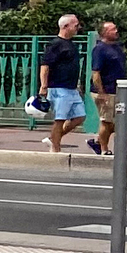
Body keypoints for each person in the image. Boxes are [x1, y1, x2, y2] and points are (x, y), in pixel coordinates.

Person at [41, 12, 87, 151]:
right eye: (76, 25)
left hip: (71, 88)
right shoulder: (55, 44)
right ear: (66, 26)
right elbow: (45, 66)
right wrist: (44, 86)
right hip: (59, 88)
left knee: (80, 117)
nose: (78, 28)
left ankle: (52, 139)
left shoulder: (71, 44)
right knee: (60, 119)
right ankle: (55, 148)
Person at [84, 21, 127, 155]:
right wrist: (101, 93)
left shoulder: (116, 47)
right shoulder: (100, 49)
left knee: (116, 123)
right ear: (105, 33)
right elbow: (96, 73)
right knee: (107, 121)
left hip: (117, 90)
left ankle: (97, 142)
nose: (116, 31)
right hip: (105, 90)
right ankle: (103, 149)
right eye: (113, 29)